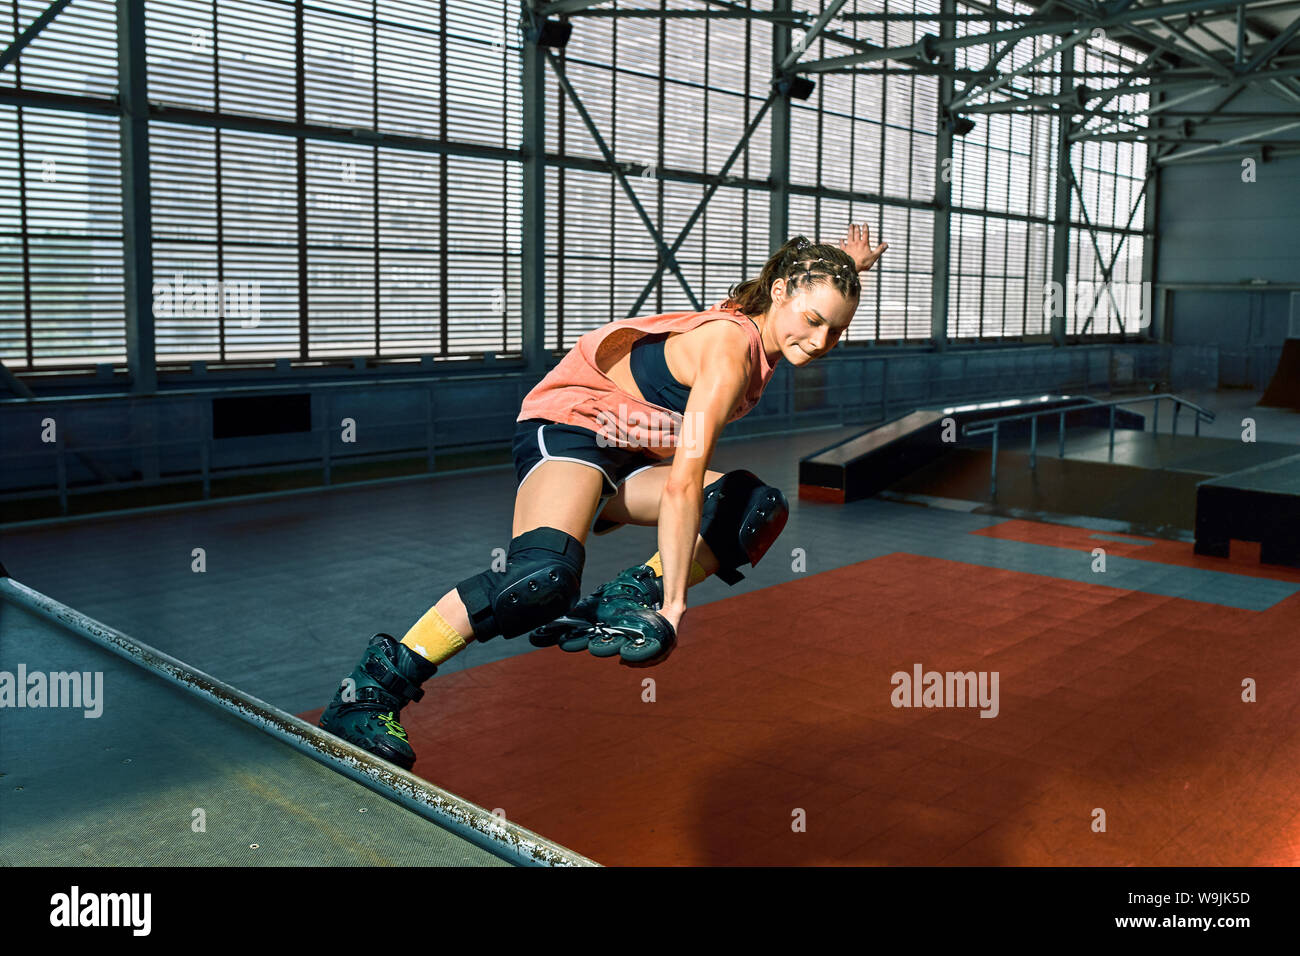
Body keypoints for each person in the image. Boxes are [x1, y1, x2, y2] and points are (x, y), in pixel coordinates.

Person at [319, 223, 888, 769]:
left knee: (751, 509)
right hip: (570, 430)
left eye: (835, 331)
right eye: (813, 320)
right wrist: (673, 607)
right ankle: (370, 692)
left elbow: (808, 293)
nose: (820, 341)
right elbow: (683, 484)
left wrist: (850, 266)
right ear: (781, 292)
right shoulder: (729, 351)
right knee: (538, 581)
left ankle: (618, 597)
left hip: (627, 457)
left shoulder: (764, 324)